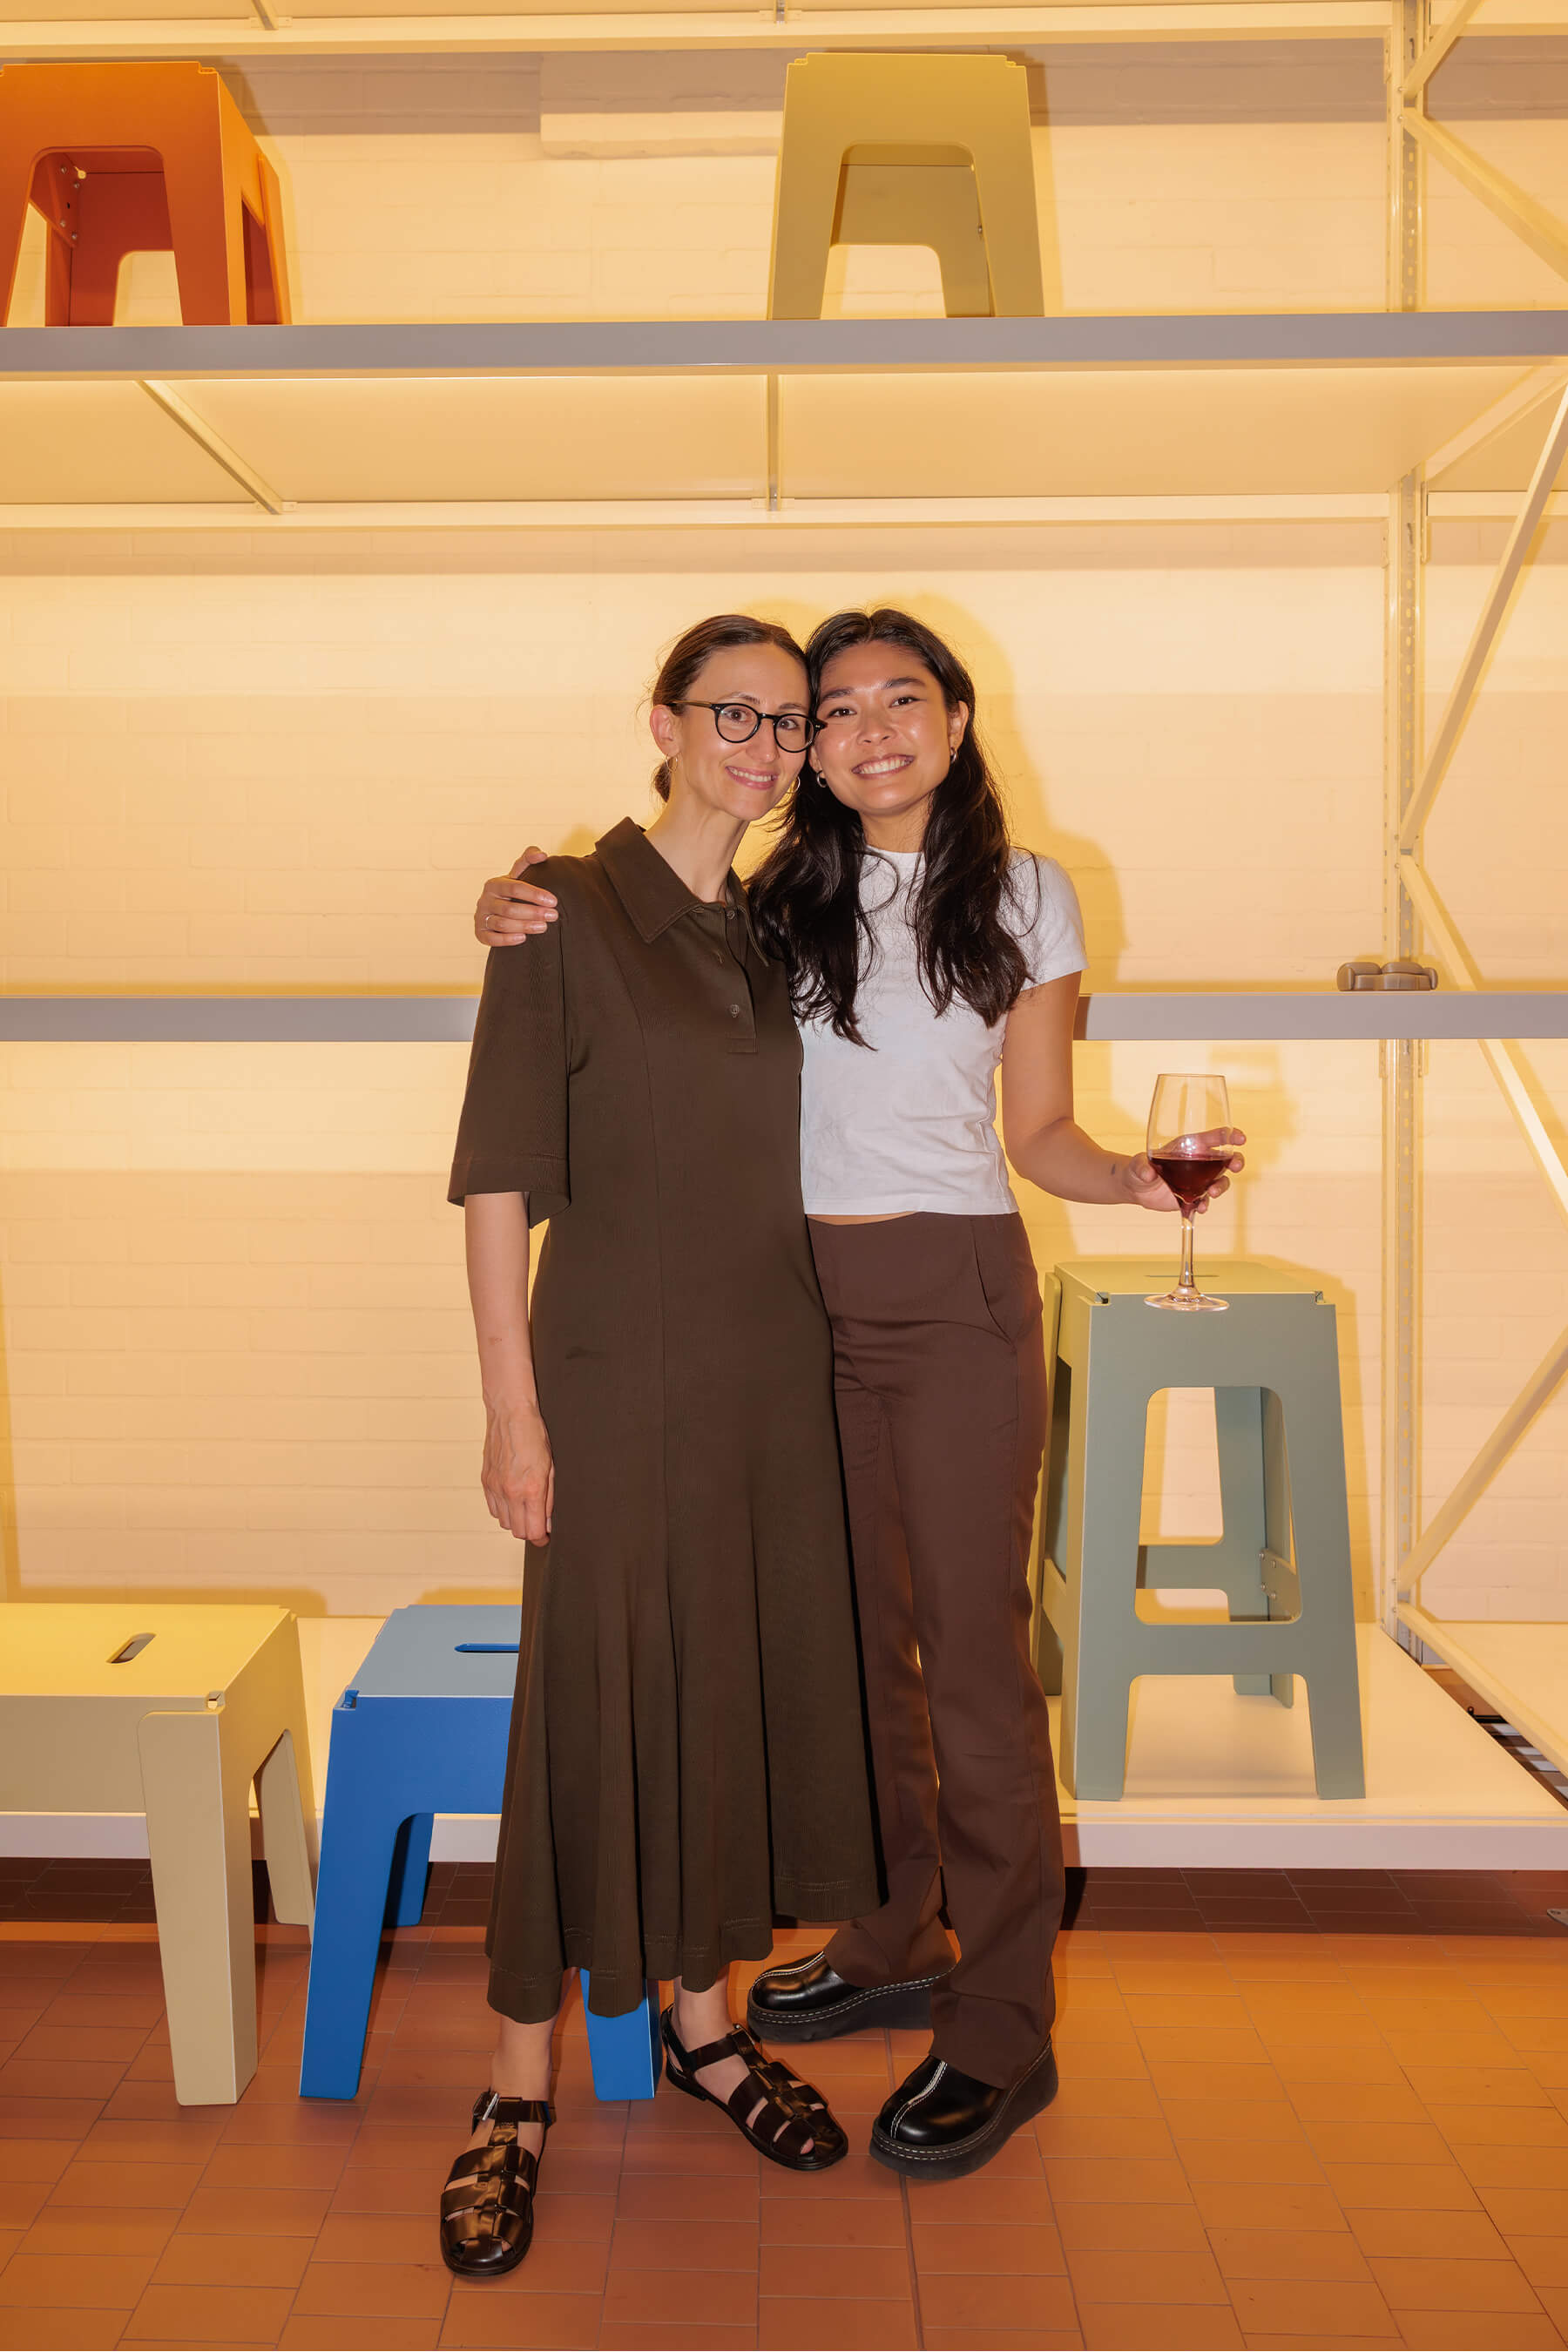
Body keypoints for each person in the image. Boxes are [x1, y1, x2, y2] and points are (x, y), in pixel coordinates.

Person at [476, 605, 1244, 2182]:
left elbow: (1037, 1129)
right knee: (852, 1657)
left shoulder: (1028, 893)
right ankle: (896, 1928)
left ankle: (1002, 2022)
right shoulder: (778, 897)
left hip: (950, 1295)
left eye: (906, 698)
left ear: (961, 723)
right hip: (786, 1309)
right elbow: (631, 963)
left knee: (966, 1662)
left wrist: (1137, 1182)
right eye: (835, 709)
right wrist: (507, 900)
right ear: (792, 746)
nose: (866, 727)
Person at [441, 612, 882, 2281]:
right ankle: (516, 2090)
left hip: (773, 1378)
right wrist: (510, 1407)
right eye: (737, 715)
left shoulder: (777, 931)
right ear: (664, 719)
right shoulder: (561, 905)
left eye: (791, 723)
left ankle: (706, 2031)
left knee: (724, 1699)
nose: (765, 749)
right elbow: (500, 1172)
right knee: (590, 1707)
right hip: (612, 1375)